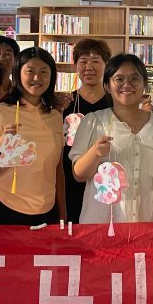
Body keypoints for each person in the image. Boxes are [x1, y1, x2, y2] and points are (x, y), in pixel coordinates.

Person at [70, 54, 153, 224]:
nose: (127, 84)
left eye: (134, 78)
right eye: (119, 79)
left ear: (144, 85)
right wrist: (95, 153)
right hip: (101, 225)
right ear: (107, 86)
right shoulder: (93, 122)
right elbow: (78, 175)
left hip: (147, 223)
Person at [0, 47, 65, 226]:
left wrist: (63, 211)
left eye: (44, 72)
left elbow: (58, 169)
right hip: (2, 207)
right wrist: (1, 144)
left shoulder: (55, 117)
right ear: (17, 74)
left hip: (46, 210)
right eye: (30, 71)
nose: (37, 78)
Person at [61, 38, 113, 222]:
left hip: (106, 182)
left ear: (106, 66)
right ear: (75, 65)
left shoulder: (115, 104)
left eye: (95, 61)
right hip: (70, 180)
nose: (88, 67)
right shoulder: (64, 104)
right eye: (83, 61)